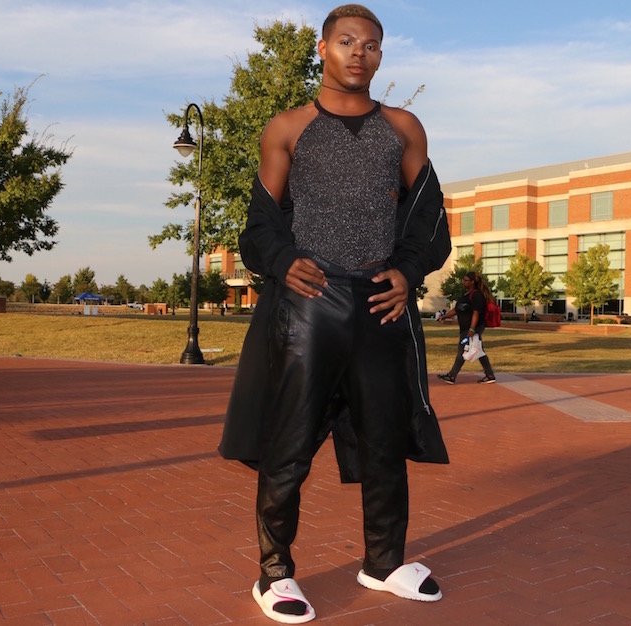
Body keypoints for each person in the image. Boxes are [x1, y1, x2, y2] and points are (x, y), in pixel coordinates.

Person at [218, 4, 450, 623]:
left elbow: (429, 218)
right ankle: (274, 574)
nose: (359, 53)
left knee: (384, 440)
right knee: (288, 444)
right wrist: (283, 258)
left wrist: (406, 270)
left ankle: (383, 562)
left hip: (380, 302)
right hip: (310, 305)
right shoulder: (288, 127)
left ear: (381, 56)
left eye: (371, 45)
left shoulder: (403, 127)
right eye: (346, 41)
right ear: (322, 48)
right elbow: (259, 226)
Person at [438, 271, 496, 384]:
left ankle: (452, 376)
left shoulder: (477, 295)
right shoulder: (465, 295)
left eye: (466, 280)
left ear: (472, 282)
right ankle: (490, 375)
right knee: (479, 351)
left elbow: (476, 313)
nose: (463, 282)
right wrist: (444, 316)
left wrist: (472, 329)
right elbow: (457, 309)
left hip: (473, 328)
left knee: (462, 350)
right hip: (465, 328)